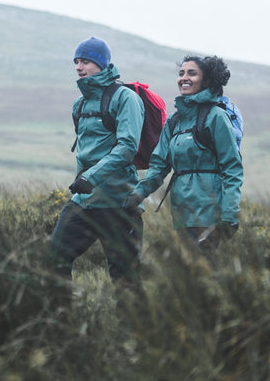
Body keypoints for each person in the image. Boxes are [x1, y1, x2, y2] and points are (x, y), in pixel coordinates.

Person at [48, 37, 145, 294]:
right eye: (77, 61)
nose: (79, 67)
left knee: (125, 279)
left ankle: (137, 331)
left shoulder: (125, 98)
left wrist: (91, 177)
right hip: (84, 201)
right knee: (53, 259)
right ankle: (64, 325)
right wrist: (86, 183)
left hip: (119, 201)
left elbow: (127, 148)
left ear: (102, 64)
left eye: (86, 61)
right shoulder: (79, 104)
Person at [124, 55, 243, 254]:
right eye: (181, 73)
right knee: (188, 276)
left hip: (210, 213)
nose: (184, 78)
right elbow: (159, 166)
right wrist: (137, 195)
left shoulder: (216, 116)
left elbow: (232, 168)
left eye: (192, 73)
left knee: (207, 274)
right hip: (181, 213)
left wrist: (230, 216)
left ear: (206, 80)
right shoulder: (174, 121)